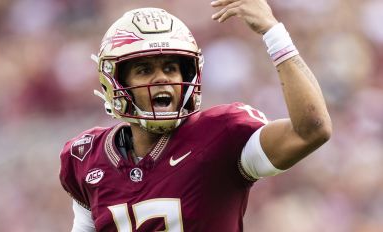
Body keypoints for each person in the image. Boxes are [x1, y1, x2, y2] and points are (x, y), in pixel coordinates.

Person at [59, 0, 332, 231]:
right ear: (116, 82)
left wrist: (273, 33)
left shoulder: (220, 135)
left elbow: (311, 130)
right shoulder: (86, 158)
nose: (161, 79)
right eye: (144, 70)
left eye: (170, 68)